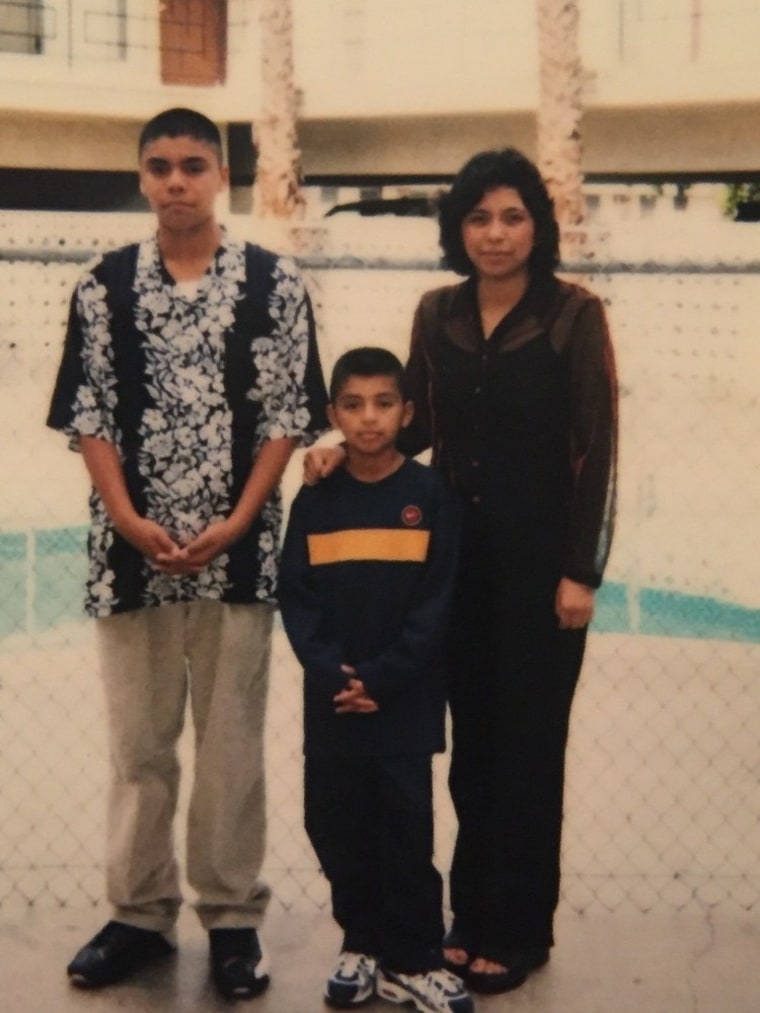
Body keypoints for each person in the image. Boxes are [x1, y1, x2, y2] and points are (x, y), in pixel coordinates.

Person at [305, 149, 618, 995]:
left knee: (526, 750)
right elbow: (415, 425)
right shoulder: (437, 312)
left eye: (512, 216)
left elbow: (597, 449)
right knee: (470, 753)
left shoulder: (573, 314)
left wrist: (581, 569)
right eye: (479, 217)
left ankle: (517, 927)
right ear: (458, 228)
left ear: (537, 226)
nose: (495, 233)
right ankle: (468, 915)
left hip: (539, 570)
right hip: (448, 565)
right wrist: (343, 450)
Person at [46, 107, 328, 1000]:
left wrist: (243, 519)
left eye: (194, 165)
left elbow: (287, 417)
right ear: (141, 176)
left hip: (238, 561)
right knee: (140, 746)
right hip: (128, 559)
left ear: (222, 178)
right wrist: (128, 518)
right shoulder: (103, 287)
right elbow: (86, 414)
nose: (177, 181)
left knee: (233, 745)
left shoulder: (275, 286)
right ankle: (138, 912)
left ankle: (233, 916)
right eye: (161, 165)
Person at [279, 347, 472, 1013]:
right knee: (335, 822)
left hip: (403, 702)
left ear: (407, 412)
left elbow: (435, 605)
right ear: (332, 415)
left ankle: (414, 955)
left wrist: (383, 679)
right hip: (334, 700)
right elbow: (297, 598)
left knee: (404, 828)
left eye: (383, 403)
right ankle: (362, 941)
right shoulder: (316, 496)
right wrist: (335, 672)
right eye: (353, 405)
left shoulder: (428, 496)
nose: (369, 418)